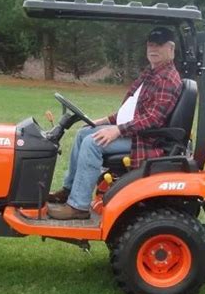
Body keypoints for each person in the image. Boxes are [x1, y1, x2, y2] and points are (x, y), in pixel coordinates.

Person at [47, 27, 182, 220]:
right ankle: (69, 191)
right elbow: (131, 110)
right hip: (135, 132)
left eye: (159, 45)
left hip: (147, 140)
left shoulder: (167, 79)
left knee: (92, 142)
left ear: (171, 48)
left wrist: (117, 130)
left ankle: (78, 206)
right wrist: (101, 122)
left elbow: (154, 119)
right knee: (83, 134)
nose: (153, 49)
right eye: (150, 44)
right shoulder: (151, 73)